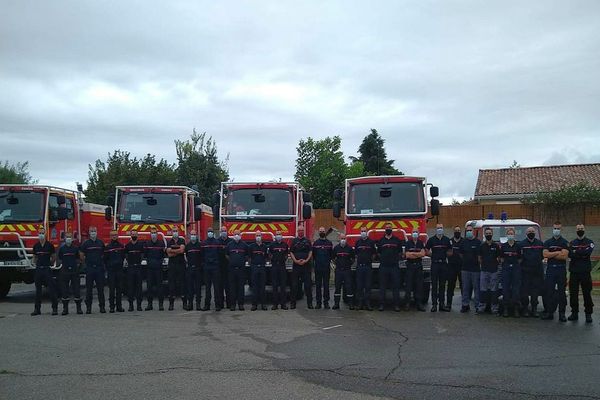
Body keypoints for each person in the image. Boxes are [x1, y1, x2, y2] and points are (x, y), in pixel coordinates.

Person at [542, 221, 569, 322]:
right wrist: (558, 252)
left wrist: (551, 253)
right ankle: (550, 312)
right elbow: (545, 255)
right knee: (549, 292)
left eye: (558, 229)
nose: (556, 230)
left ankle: (562, 314)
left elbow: (564, 256)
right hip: (551, 269)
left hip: (561, 269)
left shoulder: (565, 242)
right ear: (552, 229)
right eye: (555, 228)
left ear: (561, 230)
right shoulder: (548, 242)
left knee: (562, 292)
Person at [567, 224, 594, 323]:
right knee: (573, 294)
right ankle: (574, 313)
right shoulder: (572, 243)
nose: (580, 230)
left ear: (584, 230)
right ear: (576, 230)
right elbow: (570, 253)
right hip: (574, 272)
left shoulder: (589, 242)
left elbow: (587, 253)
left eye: (581, 229)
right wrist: (581, 253)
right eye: (578, 229)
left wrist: (576, 252)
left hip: (585, 272)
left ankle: (588, 314)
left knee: (587, 294)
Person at [377, 222, 404, 312]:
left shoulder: (397, 240)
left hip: (394, 267)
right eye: (387, 227)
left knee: (396, 286)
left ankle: (396, 305)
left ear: (392, 229)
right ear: (385, 229)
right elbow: (379, 253)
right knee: (382, 286)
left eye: (390, 227)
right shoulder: (381, 241)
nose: (388, 229)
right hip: (384, 267)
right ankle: (381, 305)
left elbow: (400, 253)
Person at [31, 228, 58, 316]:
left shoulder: (49, 245)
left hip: (47, 269)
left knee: (51, 289)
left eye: (42, 233)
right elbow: (34, 257)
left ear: (45, 234)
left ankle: (54, 308)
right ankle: (37, 309)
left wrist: (50, 263)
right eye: (40, 233)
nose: (41, 235)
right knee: (38, 290)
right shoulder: (36, 246)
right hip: (39, 269)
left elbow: (53, 257)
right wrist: (35, 263)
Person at [425, 224, 452, 312]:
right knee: (434, 285)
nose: (439, 229)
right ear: (435, 229)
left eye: (441, 228)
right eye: (438, 228)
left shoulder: (447, 240)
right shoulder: (431, 240)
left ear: (443, 229)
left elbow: (450, 250)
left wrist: (446, 255)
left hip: (443, 264)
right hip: (435, 264)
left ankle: (441, 304)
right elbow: (426, 249)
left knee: (442, 285)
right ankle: (434, 305)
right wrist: (432, 255)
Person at [80, 226, 106, 314]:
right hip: (90, 268)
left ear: (97, 232)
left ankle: (102, 307)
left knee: (100, 289)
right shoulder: (86, 243)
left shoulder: (100, 243)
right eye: (91, 231)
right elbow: (81, 255)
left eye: (94, 231)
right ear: (89, 232)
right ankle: (88, 308)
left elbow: (103, 254)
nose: (93, 233)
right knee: (89, 289)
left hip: (99, 268)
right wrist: (86, 263)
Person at [519, 227, 544, 317]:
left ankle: (534, 309)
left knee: (535, 292)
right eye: (529, 231)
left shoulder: (540, 244)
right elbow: (520, 258)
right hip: (525, 272)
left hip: (536, 272)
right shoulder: (521, 244)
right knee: (524, 291)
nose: (531, 233)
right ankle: (525, 309)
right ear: (526, 233)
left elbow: (542, 257)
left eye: (532, 231)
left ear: (535, 233)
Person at [56, 232, 82, 315]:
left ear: (72, 238)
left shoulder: (75, 248)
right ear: (64, 238)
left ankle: (79, 309)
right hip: (65, 271)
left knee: (76, 290)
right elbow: (59, 258)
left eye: (70, 237)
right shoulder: (62, 249)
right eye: (67, 237)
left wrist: (77, 267)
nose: (68, 239)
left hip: (74, 271)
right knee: (65, 290)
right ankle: (65, 309)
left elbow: (79, 259)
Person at [500, 228, 522, 317]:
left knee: (516, 289)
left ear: (514, 235)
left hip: (516, 269)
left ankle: (515, 309)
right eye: (509, 233)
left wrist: (514, 265)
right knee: (505, 289)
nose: (510, 235)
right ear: (506, 235)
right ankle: (506, 309)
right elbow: (501, 258)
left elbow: (520, 258)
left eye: (512, 233)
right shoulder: (503, 246)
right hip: (506, 269)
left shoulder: (518, 246)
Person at [290, 226, 313, 309]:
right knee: (294, 285)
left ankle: (310, 304)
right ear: (297, 231)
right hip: (296, 266)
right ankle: (293, 304)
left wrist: (306, 260)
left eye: (302, 230)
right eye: (299, 230)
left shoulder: (307, 241)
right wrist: (295, 261)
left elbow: (310, 251)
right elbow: (291, 252)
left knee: (308, 286)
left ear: (304, 231)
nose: (301, 232)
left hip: (306, 266)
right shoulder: (294, 241)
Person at [459, 225, 481, 313]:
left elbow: (480, 256)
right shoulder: (463, 242)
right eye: (467, 230)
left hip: (475, 269)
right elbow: (461, 254)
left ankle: (477, 306)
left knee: (477, 288)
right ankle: (465, 305)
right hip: (465, 269)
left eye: (470, 230)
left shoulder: (478, 242)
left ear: (473, 231)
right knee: (465, 288)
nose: (469, 232)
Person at [201, 227, 224, 311]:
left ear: (213, 233)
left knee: (216, 287)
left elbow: (221, 255)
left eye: (211, 231)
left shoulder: (217, 243)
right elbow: (202, 255)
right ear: (207, 233)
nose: (210, 233)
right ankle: (207, 305)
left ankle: (217, 305)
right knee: (207, 288)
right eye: (209, 232)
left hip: (215, 267)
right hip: (207, 267)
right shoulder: (203, 243)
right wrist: (204, 264)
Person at [144, 227, 166, 311]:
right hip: (150, 269)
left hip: (158, 269)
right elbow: (145, 255)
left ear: (157, 234)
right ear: (150, 234)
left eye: (154, 233)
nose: (153, 234)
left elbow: (163, 255)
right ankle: (150, 305)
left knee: (160, 287)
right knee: (149, 287)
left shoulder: (161, 244)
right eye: (152, 233)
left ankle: (161, 305)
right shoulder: (147, 243)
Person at [478, 228, 500, 314]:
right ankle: (481, 308)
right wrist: (483, 264)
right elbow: (479, 258)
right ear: (484, 234)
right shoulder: (482, 246)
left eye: (490, 233)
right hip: (484, 270)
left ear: (492, 234)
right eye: (487, 233)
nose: (488, 235)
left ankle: (494, 308)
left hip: (494, 271)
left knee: (494, 290)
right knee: (483, 289)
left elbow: (499, 258)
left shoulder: (496, 246)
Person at [354, 227, 376, 310]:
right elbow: (356, 254)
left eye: (364, 231)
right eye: (362, 231)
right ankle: (360, 303)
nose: (363, 232)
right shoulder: (357, 242)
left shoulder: (371, 242)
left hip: (368, 267)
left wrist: (369, 260)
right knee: (359, 286)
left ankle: (368, 303)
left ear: (367, 232)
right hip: (360, 267)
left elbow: (374, 254)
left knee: (368, 286)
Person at [404, 228, 426, 311]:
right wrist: (418, 254)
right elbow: (407, 255)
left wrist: (413, 253)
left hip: (418, 266)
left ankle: (419, 303)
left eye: (416, 232)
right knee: (408, 285)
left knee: (419, 286)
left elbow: (423, 254)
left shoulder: (420, 243)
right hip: (410, 266)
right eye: (414, 232)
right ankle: (407, 303)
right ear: (411, 233)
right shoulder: (408, 243)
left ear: (419, 233)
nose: (415, 233)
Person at [104, 229, 125, 313]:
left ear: (118, 236)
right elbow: (105, 259)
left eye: (115, 235)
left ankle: (119, 306)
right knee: (112, 290)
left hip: (119, 270)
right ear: (110, 236)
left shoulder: (121, 246)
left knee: (119, 289)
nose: (114, 236)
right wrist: (109, 267)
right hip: (111, 271)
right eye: (112, 235)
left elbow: (123, 256)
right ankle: (112, 307)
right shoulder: (107, 247)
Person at [331, 234, 355, 310]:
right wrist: (337, 264)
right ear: (339, 239)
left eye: (344, 238)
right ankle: (336, 304)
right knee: (337, 287)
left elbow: (353, 259)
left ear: (346, 239)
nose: (343, 240)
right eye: (342, 238)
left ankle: (350, 304)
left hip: (347, 270)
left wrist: (348, 264)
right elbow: (333, 258)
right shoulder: (336, 248)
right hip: (338, 271)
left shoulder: (350, 248)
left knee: (349, 287)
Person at [226, 230, 248, 311]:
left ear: (240, 235)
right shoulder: (229, 245)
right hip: (232, 269)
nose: (236, 235)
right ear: (233, 235)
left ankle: (241, 304)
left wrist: (242, 261)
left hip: (241, 269)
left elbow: (247, 255)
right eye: (235, 234)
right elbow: (226, 255)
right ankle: (233, 305)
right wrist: (232, 261)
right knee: (232, 287)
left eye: (238, 234)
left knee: (241, 287)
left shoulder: (244, 245)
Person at [312, 226, 333, 309]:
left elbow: (331, 255)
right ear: (318, 232)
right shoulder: (315, 243)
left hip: (326, 268)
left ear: (325, 232)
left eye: (323, 231)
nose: (321, 232)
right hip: (318, 268)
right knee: (318, 286)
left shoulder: (329, 243)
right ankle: (318, 303)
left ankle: (326, 303)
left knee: (326, 286)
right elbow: (314, 255)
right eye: (320, 231)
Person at [166, 228, 186, 311]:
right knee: (171, 285)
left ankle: (185, 303)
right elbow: (168, 254)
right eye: (173, 231)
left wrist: (172, 251)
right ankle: (171, 304)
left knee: (183, 284)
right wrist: (177, 251)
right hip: (172, 266)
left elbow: (182, 250)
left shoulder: (182, 240)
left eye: (176, 231)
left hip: (181, 265)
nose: (175, 233)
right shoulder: (169, 242)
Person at [124, 230, 144, 311]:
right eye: (133, 234)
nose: (134, 235)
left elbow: (142, 255)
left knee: (139, 287)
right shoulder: (128, 246)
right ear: (130, 235)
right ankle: (131, 305)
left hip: (138, 267)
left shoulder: (141, 245)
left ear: (137, 235)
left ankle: (139, 305)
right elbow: (126, 256)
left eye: (135, 234)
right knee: (130, 287)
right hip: (131, 267)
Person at [268, 230, 289, 310]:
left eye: (279, 234)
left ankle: (283, 304)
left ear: (282, 235)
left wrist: (283, 259)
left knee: (283, 286)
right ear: (275, 236)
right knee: (275, 286)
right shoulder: (272, 245)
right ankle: (275, 304)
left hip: (282, 266)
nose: (278, 236)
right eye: (277, 234)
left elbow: (287, 254)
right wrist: (272, 259)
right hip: (274, 266)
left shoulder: (285, 245)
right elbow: (269, 254)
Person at [249, 231, 268, 310]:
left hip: (262, 267)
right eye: (257, 235)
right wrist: (253, 265)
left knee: (262, 286)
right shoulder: (251, 246)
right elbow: (249, 258)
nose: (258, 237)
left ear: (262, 236)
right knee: (254, 287)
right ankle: (254, 305)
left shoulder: (265, 247)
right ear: (255, 237)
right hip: (254, 267)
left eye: (259, 235)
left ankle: (263, 304)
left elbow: (267, 257)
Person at [184, 230, 203, 311]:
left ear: (197, 236)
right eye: (192, 234)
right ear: (189, 236)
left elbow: (202, 256)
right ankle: (190, 304)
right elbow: (185, 256)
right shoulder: (188, 246)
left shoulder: (200, 245)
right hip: (190, 269)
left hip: (198, 269)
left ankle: (198, 304)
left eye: (194, 234)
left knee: (198, 288)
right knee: (190, 287)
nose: (193, 236)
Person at [446, 226, 463, 310]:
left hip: (461, 266)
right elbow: (446, 252)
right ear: (453, 232)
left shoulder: (464, 241)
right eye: (456, 230)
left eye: (459, 231)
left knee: (463, 286)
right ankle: (448, 304)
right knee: (450, 286)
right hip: (451, 266)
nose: (457, 232)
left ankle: (464, 305)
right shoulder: (449, 241)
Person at [219, 226, 232, 309]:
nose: (224, 232)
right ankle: (220, 304)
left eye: (225, 231)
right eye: (222, 231)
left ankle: (229, 304)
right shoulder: (217, 241)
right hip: (220, 267)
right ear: (220, 232)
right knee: (220, 287)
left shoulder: (231, 242)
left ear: (227, 232)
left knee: (229, 286)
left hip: (229, 266)